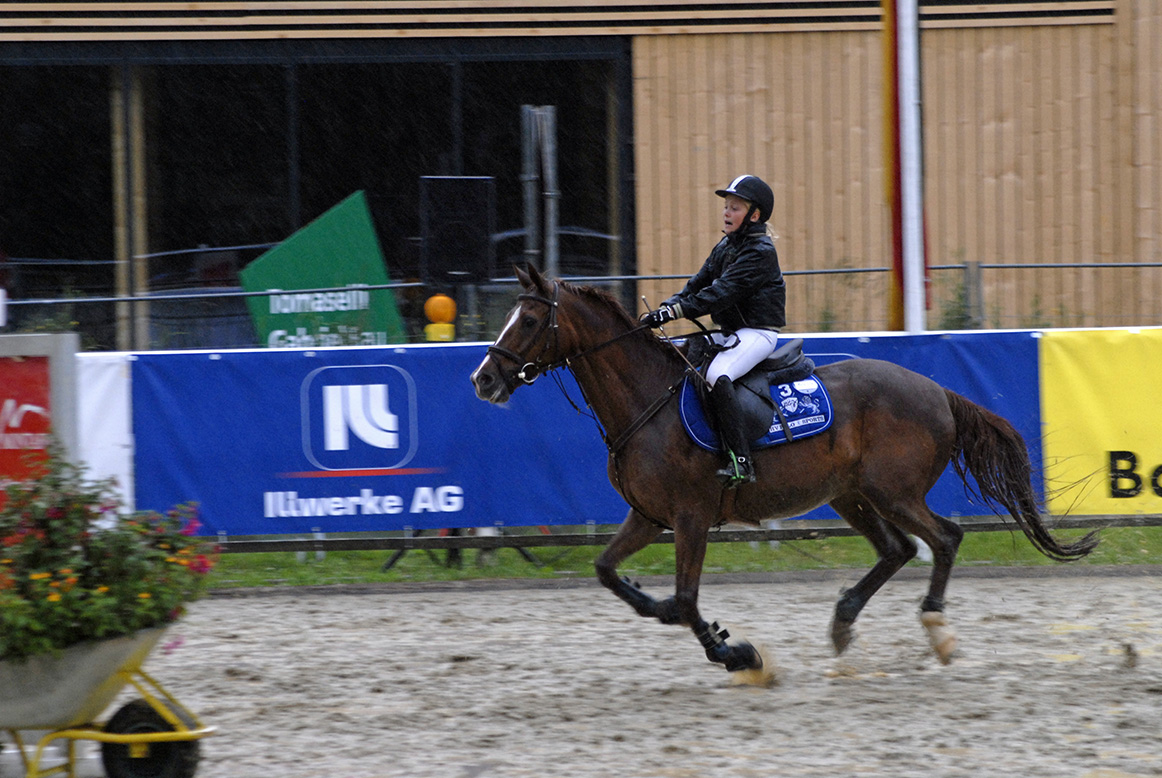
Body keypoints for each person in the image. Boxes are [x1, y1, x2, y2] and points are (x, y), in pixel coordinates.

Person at [639, 174, 786, 487]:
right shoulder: (725, 246)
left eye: (735, 208)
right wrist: (665, 308)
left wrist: (676, 311)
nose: (726, 213)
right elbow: (697, 285)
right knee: (683, 352)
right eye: (726, 206)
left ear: (754, 215)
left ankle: (741, 460)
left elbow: (721, 293)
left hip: (758, 333)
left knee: (717, 374)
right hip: (731, 332)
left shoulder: (760, 251)